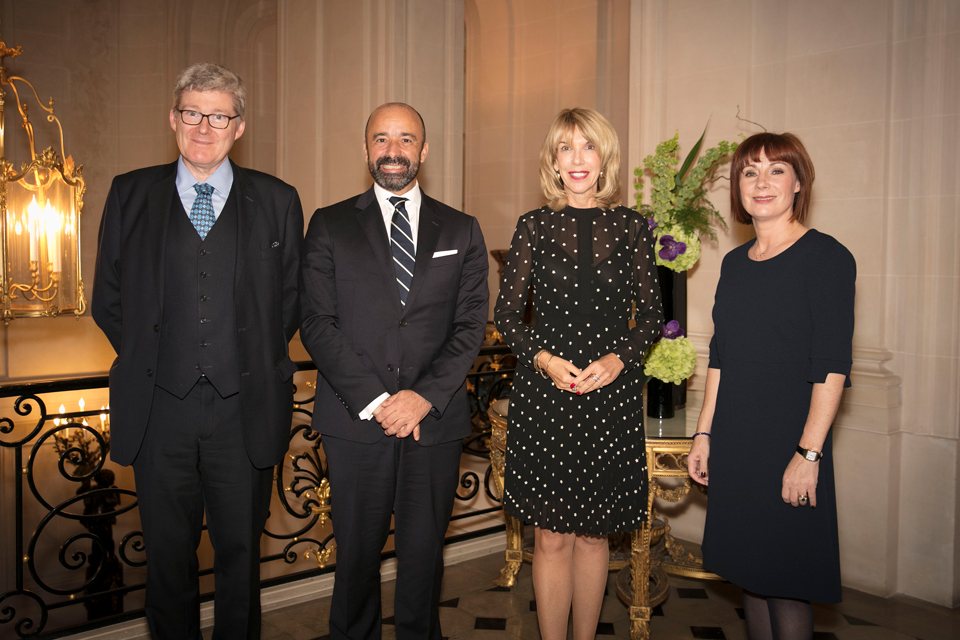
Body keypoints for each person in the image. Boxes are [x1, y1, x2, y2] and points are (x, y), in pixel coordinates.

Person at [92, 63, 304, 639]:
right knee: (166, 564)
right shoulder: (130, 194)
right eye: (192, 113)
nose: (203, 127)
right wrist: (153, 358)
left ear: (239, 126)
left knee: (240, 562)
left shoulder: (278, 199)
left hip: (245, 410)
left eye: (218, 116)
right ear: (173, 120)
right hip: (160, 411)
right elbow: (107, 299)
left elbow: (289, 303)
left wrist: (245, 360)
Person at [299, 102, 489, 640]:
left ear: (423, 152)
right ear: (365, 150)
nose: (393, 150)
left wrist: (421, 397)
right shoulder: (330, 224)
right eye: (381, 139)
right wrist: (378, 400)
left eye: (405, 139)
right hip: (355, 421)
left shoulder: (462, 228)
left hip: (436, 422)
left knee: (425, 559)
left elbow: (471, 325)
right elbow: (316, 321)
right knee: (356, 559)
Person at [493, 108, 663, 640]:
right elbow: (504, 314)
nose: (578, 159)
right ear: (554, 161)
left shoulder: (634, 227)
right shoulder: (534, 227)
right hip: (545, 397)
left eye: (587, 147)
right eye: (566, 148)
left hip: (609, 396)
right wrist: (542, 358)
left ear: (604, 156)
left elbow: (653, 316)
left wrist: (618, 361)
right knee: (549, 538)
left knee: (594, 537)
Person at [686, 132, 856, 640]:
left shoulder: (826, 257)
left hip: (790, 443)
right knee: (751, 580)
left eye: (776, 170)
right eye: (749, 172)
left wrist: (808, 455)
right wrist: (704, 433)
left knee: (786, 585)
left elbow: (832, 366)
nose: (761, 183)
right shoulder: (734, 264)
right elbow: (721, 356)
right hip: (737, 444)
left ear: (799, 182)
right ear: (737, 188)